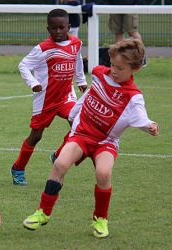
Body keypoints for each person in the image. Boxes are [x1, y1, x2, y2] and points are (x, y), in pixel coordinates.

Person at [22, 38, 159, 238]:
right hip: (82, 134)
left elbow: (141, 118)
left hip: (106, 141)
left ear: (134, 69)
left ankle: (100, 219)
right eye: (112, 64)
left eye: (120, 68)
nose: (113, 70)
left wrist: (150, 126)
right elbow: (89, 94)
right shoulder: (99, 74)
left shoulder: (133, 96)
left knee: (103, 173)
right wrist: (74, 113)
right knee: (60, 164)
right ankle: (43, 212)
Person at [10, 9, 87, 186]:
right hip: (46, 100)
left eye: (62, 27)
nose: (58, 31)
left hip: (66, 97)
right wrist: (33, 83)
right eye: (54, 28)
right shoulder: (43, 48)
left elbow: (77, 61)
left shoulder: (76, 43)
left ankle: (59, 155)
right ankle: (18, 168)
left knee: (78, 125)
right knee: (36, 136)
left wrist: (81, 80)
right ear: (48, 29)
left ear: (69, 26)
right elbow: (23, 65)